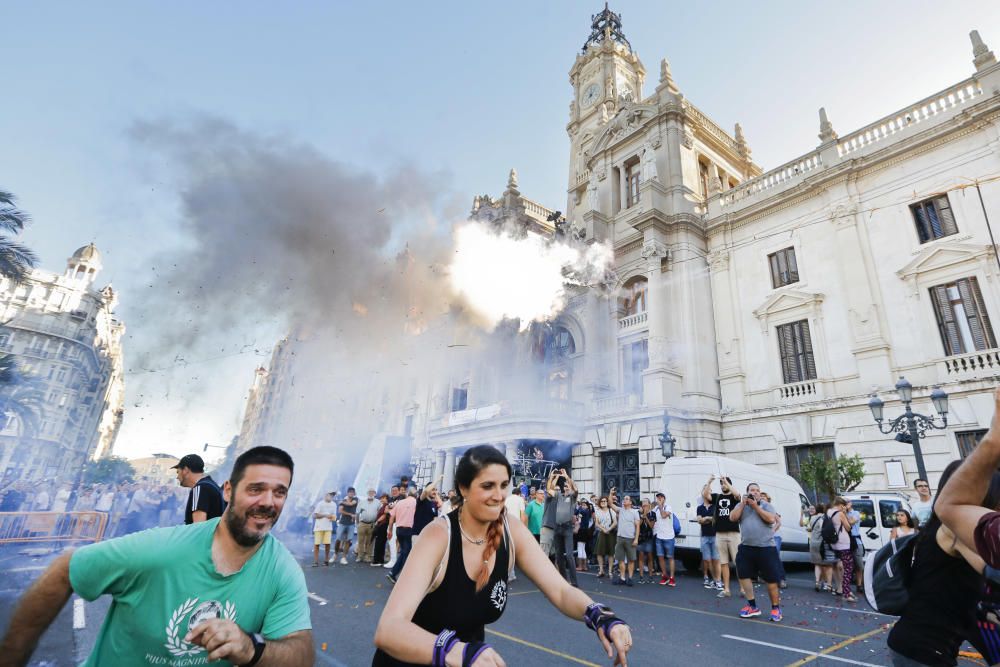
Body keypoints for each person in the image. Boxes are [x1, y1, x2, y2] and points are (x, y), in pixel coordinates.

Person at [0, 446, 313, 666]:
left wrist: (251, 648)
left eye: (279, 492)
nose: (268, 502)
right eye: (256, 489)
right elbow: (66, 569)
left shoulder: (283, 569)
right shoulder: (161, 550)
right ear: (228, 490)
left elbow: (301, 652)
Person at [371, 444, 632, 666]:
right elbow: (389, 629)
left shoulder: (510, 530)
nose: (499, 496)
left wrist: (599, 615)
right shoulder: (439, 536)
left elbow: (561, 591)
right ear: (463, 487)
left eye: (504, 485)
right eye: (487, 486)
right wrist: (454, 650)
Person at [887, 460, 1000, 667]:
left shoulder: (938, 527)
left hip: (920, 644)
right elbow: (994, 569)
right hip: (922, 649)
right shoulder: (953, 532)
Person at [731, 482, 783, 621]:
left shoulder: (766, 505)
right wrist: (743, 504)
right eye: (751, 490)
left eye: (757, 490)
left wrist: (755, 506)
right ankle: (752, 605)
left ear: (760, 493)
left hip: (766, 548)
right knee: (743, 574)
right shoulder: (741, 505)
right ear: (747, 492)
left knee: (771, 579)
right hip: (747, 547)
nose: (754, 492)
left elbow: (771, 519)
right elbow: (733, 518)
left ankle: (775, 608)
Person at [703, 474, 741, 598]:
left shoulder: (734, 497)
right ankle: (726, 589)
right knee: (723, 562)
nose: (723, 485)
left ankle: (743, 588)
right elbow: (706, 495)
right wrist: (709, 482)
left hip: (733, 533)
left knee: (738, 562)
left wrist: (727, 482)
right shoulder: (717, 497)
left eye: (724, 483)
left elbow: (737, 494)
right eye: (721, 484)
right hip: (719, 533)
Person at [546, 468, 579, 587]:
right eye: (565, 486)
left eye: (567, 486)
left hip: (567, 528)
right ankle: (564, 581)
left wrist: (566, 477)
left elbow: (575, 489)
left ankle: (574, 583)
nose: (566, 487)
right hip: (557, 528)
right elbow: (549, 489)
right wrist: (553, 477)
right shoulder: (558, 496)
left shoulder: (572, 498)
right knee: (559, 556)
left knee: (569, 555)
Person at [173, 453, 226, 525]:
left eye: (178, 472)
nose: (177, 477)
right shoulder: (210, 485)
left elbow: (198, 527)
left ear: (185, 470)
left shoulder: (200, 488)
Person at [825, 497, 856, 603]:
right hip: (843, 542)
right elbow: (848, 528)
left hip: (833, 543)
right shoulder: (840, 513)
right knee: (848, 568)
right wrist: (845, 514)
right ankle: (846, 593)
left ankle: (841, 588)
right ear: (841, 505)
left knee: (838, 565)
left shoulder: (828, 511)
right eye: (844, 505)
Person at [387, 488, 418, 584]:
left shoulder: (399, 503)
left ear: (408, 494)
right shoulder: (416, 502)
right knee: (407, 553)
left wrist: (390, 530)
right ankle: (403, 578)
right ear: (416, 494)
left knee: (404, 552)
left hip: (399, 530)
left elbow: (392, 517)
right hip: (410, 530)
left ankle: (393, 573)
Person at [611, 495, 640, 587]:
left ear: (631, 502)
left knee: (631, 559)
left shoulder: (634, 512)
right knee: (620, 559)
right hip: (620, 538)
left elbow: (637, 526)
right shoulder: (620, 510)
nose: (624, 500)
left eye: (627, 499)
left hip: (630, 538)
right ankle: (622, 578)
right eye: (624, 499)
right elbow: (610, 503)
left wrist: (636, 539)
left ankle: (630, 578)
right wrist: (611, 494)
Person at [696, 492, 721, 590]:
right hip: (704, 536)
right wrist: (708, 519)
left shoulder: (715, 506)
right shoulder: (700, 508)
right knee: (707, 559)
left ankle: (717, 580)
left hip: (715, 535)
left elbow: (716, 519)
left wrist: (706, 518)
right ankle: (711, 578)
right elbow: (699, 520)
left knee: (716, 559)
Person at [650, 492, 676, 587]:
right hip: (659, 537)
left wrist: (660, 506)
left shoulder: (668, 507)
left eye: (661, 497)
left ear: (664, 499)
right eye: (658, 498)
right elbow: (652, 522)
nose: (659, 499)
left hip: (669, 536)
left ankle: (672, 578)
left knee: (670, 557)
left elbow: (664, 515)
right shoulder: (655, 509)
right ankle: (664, 575)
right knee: (660, 557)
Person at [808, 503, 835, 592]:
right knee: (828, 564)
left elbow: (809, 528)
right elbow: (822, 530)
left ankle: (817, 582)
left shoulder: (812, 518)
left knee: (817, 564)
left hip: (813, 542)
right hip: (821, 543)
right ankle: (829, 585)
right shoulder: (823, 518)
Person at [593, 496, 616, 578]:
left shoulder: (611, 510)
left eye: (605, 501)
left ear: (607, 502)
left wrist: (608, 529)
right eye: (602, 501)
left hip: (610, 533)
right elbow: (597, 523)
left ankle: (610, 571)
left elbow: (615, 522)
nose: (603, 502)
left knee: (611, 553)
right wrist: (603, 529)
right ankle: (601, 570)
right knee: (599, 552)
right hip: (602, 533)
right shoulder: (598, 512)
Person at [312, 491, 337, 567]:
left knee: (327, 544)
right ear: (325, 495)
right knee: (317, 544)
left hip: (328, 527)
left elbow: (334, 517)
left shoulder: (334, 504)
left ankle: (326, 560)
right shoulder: (320, 504)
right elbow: (315, 515)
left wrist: (332, 517)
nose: (330, 497)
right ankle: (315, 561)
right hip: (318, 527)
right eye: (329, 495)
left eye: (331, 495)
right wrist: (325, 515)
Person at [335, 487, 358, 565]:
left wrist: (342, 502)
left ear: (354, 493)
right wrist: (350, 514)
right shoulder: (343, 500)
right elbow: (340, 510)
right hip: (342, 522)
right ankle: (335, 554)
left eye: (352, 492)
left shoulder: (356, 499)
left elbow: (351, 504)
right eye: (350, 492)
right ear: (347, 493)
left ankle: (344, 557)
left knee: (348, 540)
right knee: (338, 539)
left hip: (351, 524)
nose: (351, 493)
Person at [357, 488, 380, 563]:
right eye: (370, 492)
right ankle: (360, 556)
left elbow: (380, 512)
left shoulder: (378, 502)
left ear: (375, 494)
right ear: (367, 493)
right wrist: (357, 523)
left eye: (372, 492)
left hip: (372, 524)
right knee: (360, 541)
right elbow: (357, 513)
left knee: (370, 541)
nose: (371, 494)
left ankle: (368, 556)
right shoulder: (362, 502)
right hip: (362, 523)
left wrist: (377, 523)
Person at [372, 493, 391, 567]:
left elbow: (384, 515)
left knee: (379, 543)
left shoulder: (386, 506)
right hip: (383, 525)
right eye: (381, 498)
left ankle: (376, 561)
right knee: (381, 543)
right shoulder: (383, 506)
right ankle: (380, 560)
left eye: (383, 498)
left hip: (382, 525)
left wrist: (377, 522)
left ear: (387, 499)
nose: (381, 499)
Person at [575, 498, 593, 572]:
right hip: (586, 531)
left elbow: (578, 521)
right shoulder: (588, 511)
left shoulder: (581, 511)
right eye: (582, 505)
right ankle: (584, 566)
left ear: (587, 506)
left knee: (580, 548)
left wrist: (578, 508)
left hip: (581, 530)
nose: (583, 506)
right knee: (583, 548)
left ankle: (580, 566)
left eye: (584, 505)